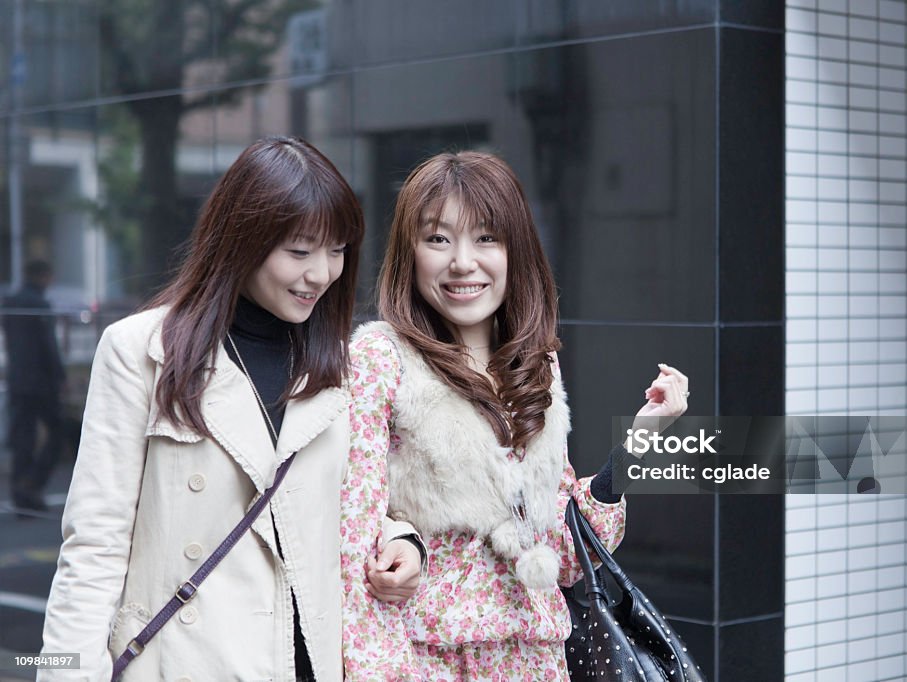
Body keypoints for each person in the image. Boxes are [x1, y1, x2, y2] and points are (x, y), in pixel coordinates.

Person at [40, 136, 422, 682]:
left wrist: (402, 541)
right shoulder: (142, 352)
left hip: (305, 662)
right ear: (242, 239)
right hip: (184, 662)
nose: (322, 273)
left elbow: (347, 502)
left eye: (337, 251)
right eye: (299, 251)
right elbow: (95, 545)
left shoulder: (343, 367)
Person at [344, 151, 689, 680]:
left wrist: (640, 441)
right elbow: (351, 535)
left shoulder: (534, 364)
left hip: (533, 661)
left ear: (515, 250)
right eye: (438, 239)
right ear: (408, 253)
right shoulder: (380, 360)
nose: (463, 262)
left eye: (486, 238)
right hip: (424, 660)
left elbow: (567, 557)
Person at [3, 259, 66, 513]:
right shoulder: (39, 304)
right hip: (41, 381)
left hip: (18, 379)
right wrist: (60, 376)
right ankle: (32, 484)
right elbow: (48, 346)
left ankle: (21, 493)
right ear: (45, 276)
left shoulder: (11, 302)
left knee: (23, 437)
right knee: (57, 433)